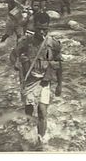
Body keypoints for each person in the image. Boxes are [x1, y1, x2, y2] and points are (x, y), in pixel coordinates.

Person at [10, 12, 62, 142]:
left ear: (48, 27)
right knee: (29, 107)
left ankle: (41, 140)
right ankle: (28, 127)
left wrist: (60, 85)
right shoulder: (26, 42)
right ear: (34, 27)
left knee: (42, 110)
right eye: (39, 28)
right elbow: (13, 54)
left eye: (45, 29)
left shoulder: (53, 43)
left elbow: (59, 64)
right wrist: (16, 64)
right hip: (29, 79)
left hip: (44, 80)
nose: (42, 31)